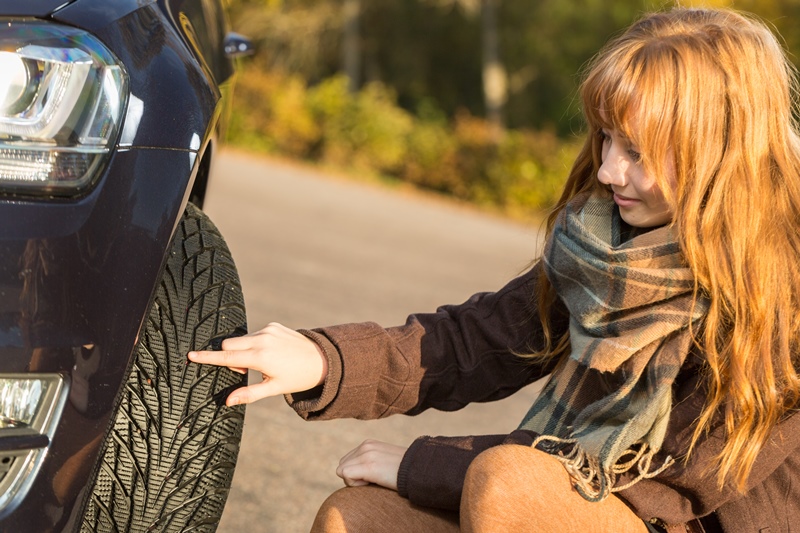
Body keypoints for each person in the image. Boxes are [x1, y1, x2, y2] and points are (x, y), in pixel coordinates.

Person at [188, 6, 800, 533]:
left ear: (720, 153)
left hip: (667, 516)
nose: (609, 170)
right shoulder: (605, 249)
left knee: (508, 483)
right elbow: (473, 343)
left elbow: (668, 484)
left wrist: (427, 467)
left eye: (636, 152)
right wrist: (323, 360)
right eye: (607, 139)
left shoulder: (784, 296)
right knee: (359, 519)